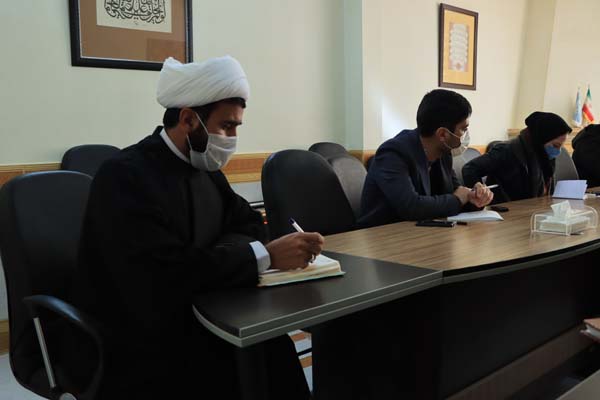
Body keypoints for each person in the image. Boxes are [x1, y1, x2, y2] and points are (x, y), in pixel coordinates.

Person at [71, 56, 321, 399]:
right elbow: (163, 274)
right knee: (238, 360)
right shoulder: (125, 175)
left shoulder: (204, 169)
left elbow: (248, 223)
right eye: (227, 126)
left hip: (201, 307)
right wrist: (262, 256)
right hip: (140, 335)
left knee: (270, 345)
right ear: (188, 119)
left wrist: (221, 255)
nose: (232, 138)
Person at [358, 89, 493, 228]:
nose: (466, 134)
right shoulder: (393, 153)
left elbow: (453, 196)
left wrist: (474, 197)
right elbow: (411, 207)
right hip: (382, 235)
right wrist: (459, 198)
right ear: (442, 134)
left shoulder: (444, 153)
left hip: (422, 232)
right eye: (463, 129)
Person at [462, 111, 571, 203]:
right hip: (506, 211)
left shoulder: (544, 158)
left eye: (561, 146)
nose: (558, 151)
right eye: (555, 145)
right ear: (540, 139)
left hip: (530, 210)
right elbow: (470, 169)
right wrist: (478, 187)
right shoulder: (506, 150)